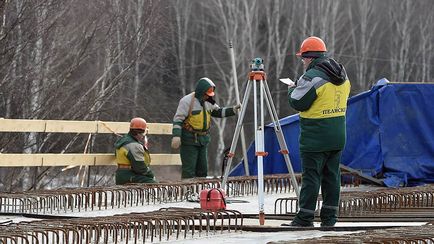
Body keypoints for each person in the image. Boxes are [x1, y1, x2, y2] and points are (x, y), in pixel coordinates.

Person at [284, 36, 351, 227]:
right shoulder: (342, 75)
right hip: (337, 135)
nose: (303, 62)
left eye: (303, 58)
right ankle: (329, 218)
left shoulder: (311, 77)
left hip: (315, 137)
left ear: (310, 57)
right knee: (332, 176)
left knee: (312, 176)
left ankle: (305, 217)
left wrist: (292, 89)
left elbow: (298, 102)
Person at [171, 77, 240, 179]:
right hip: (189, 140)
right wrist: (176, 136)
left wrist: (233, 110)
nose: (208, 97)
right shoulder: (186, 101)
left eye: (210, 95)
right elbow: (178, 120)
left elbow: (218, 112)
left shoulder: (209, 101)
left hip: (203, 140)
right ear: (201, 92)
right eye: (207, 95)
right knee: (189, 170)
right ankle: (187, 191)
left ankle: (200, 191)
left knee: (203, 169)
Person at [115, 117, 157, 184]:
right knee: (154, 185)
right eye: (144, 133)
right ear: (139, 133)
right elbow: (140, 167)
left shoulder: (124, 140)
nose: (143, 136)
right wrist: (151, 175)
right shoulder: (134, 145)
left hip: (122, 175)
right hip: (130, 175)